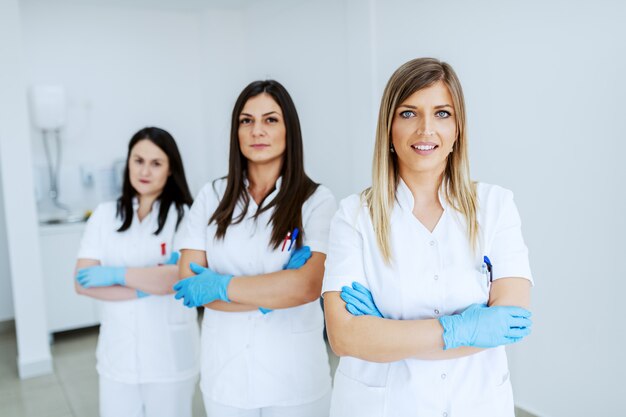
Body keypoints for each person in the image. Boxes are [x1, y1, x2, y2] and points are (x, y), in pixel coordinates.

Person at [322, 58, 534, 417]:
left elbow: (507, 324)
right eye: (408, 113)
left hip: (477, 403)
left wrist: (386, 334)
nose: (425, 129)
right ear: (388, 128)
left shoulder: (496, 207)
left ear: (458, 129)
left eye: (441, 113)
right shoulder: (354, 215)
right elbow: (344, 337)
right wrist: (463, 328)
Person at [173, 80, 337, 417]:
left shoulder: (316, 201)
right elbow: (190, 285)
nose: (257, 131)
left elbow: (309, 286)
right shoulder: (212, 196)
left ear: (289, 128)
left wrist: (221, 285)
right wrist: (274, 293)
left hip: (296, 380)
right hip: (225, 376)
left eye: (270, 120)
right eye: (246, 121)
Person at [74, 127, 199, 417]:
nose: (145, 170)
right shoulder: (105, 215)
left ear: (170, 170)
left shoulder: (186, 216)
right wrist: (149, 283)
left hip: (169, 356)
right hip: (117, 354)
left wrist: (115, 273)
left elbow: (176, 278)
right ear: (128, 162)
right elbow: (82, 282)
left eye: (156, 163)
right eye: (138, 160)